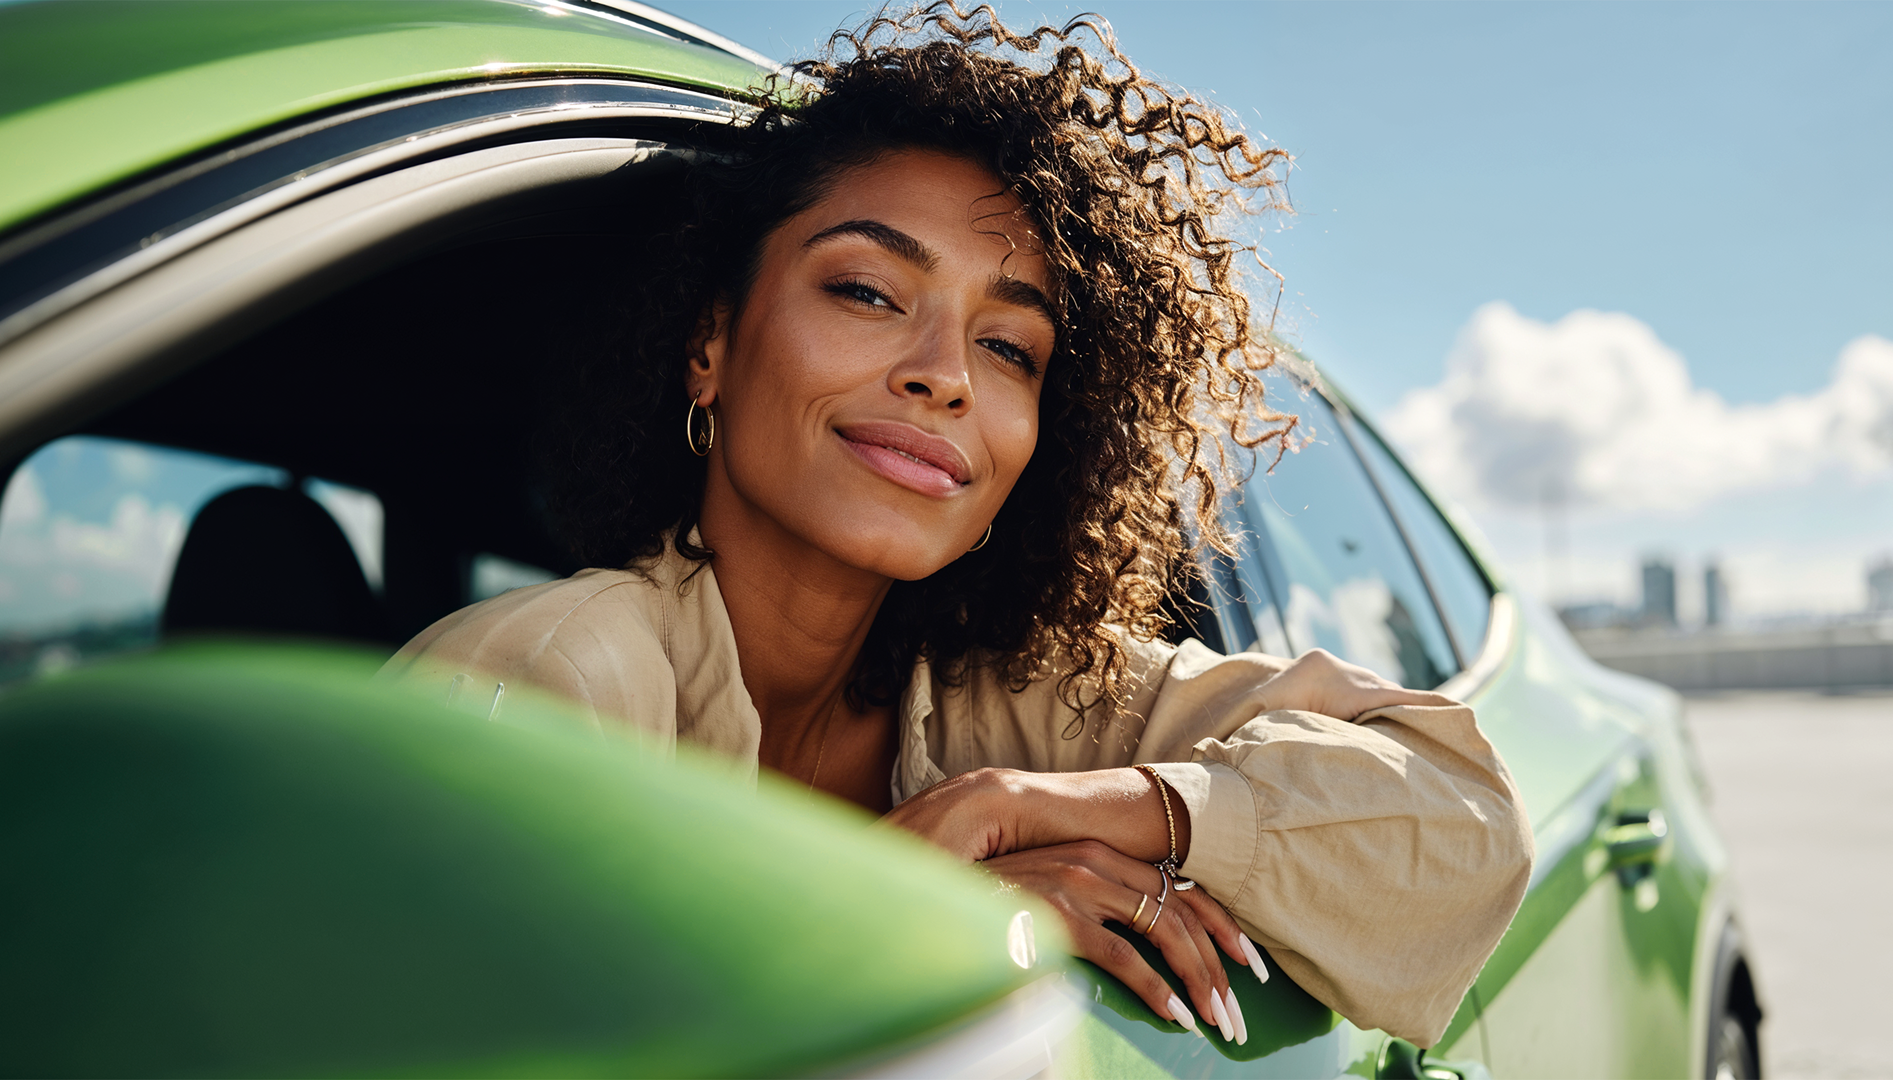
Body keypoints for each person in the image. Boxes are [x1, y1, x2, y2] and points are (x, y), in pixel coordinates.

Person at [382, 3, 1531, 1050]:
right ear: (710, 345)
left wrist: (1042, 807)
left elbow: (1463, 818)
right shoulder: (551, 677)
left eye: (1007, 348)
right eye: (869, 292)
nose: (945, 379)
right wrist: (892, 903)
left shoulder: (1033, 707)